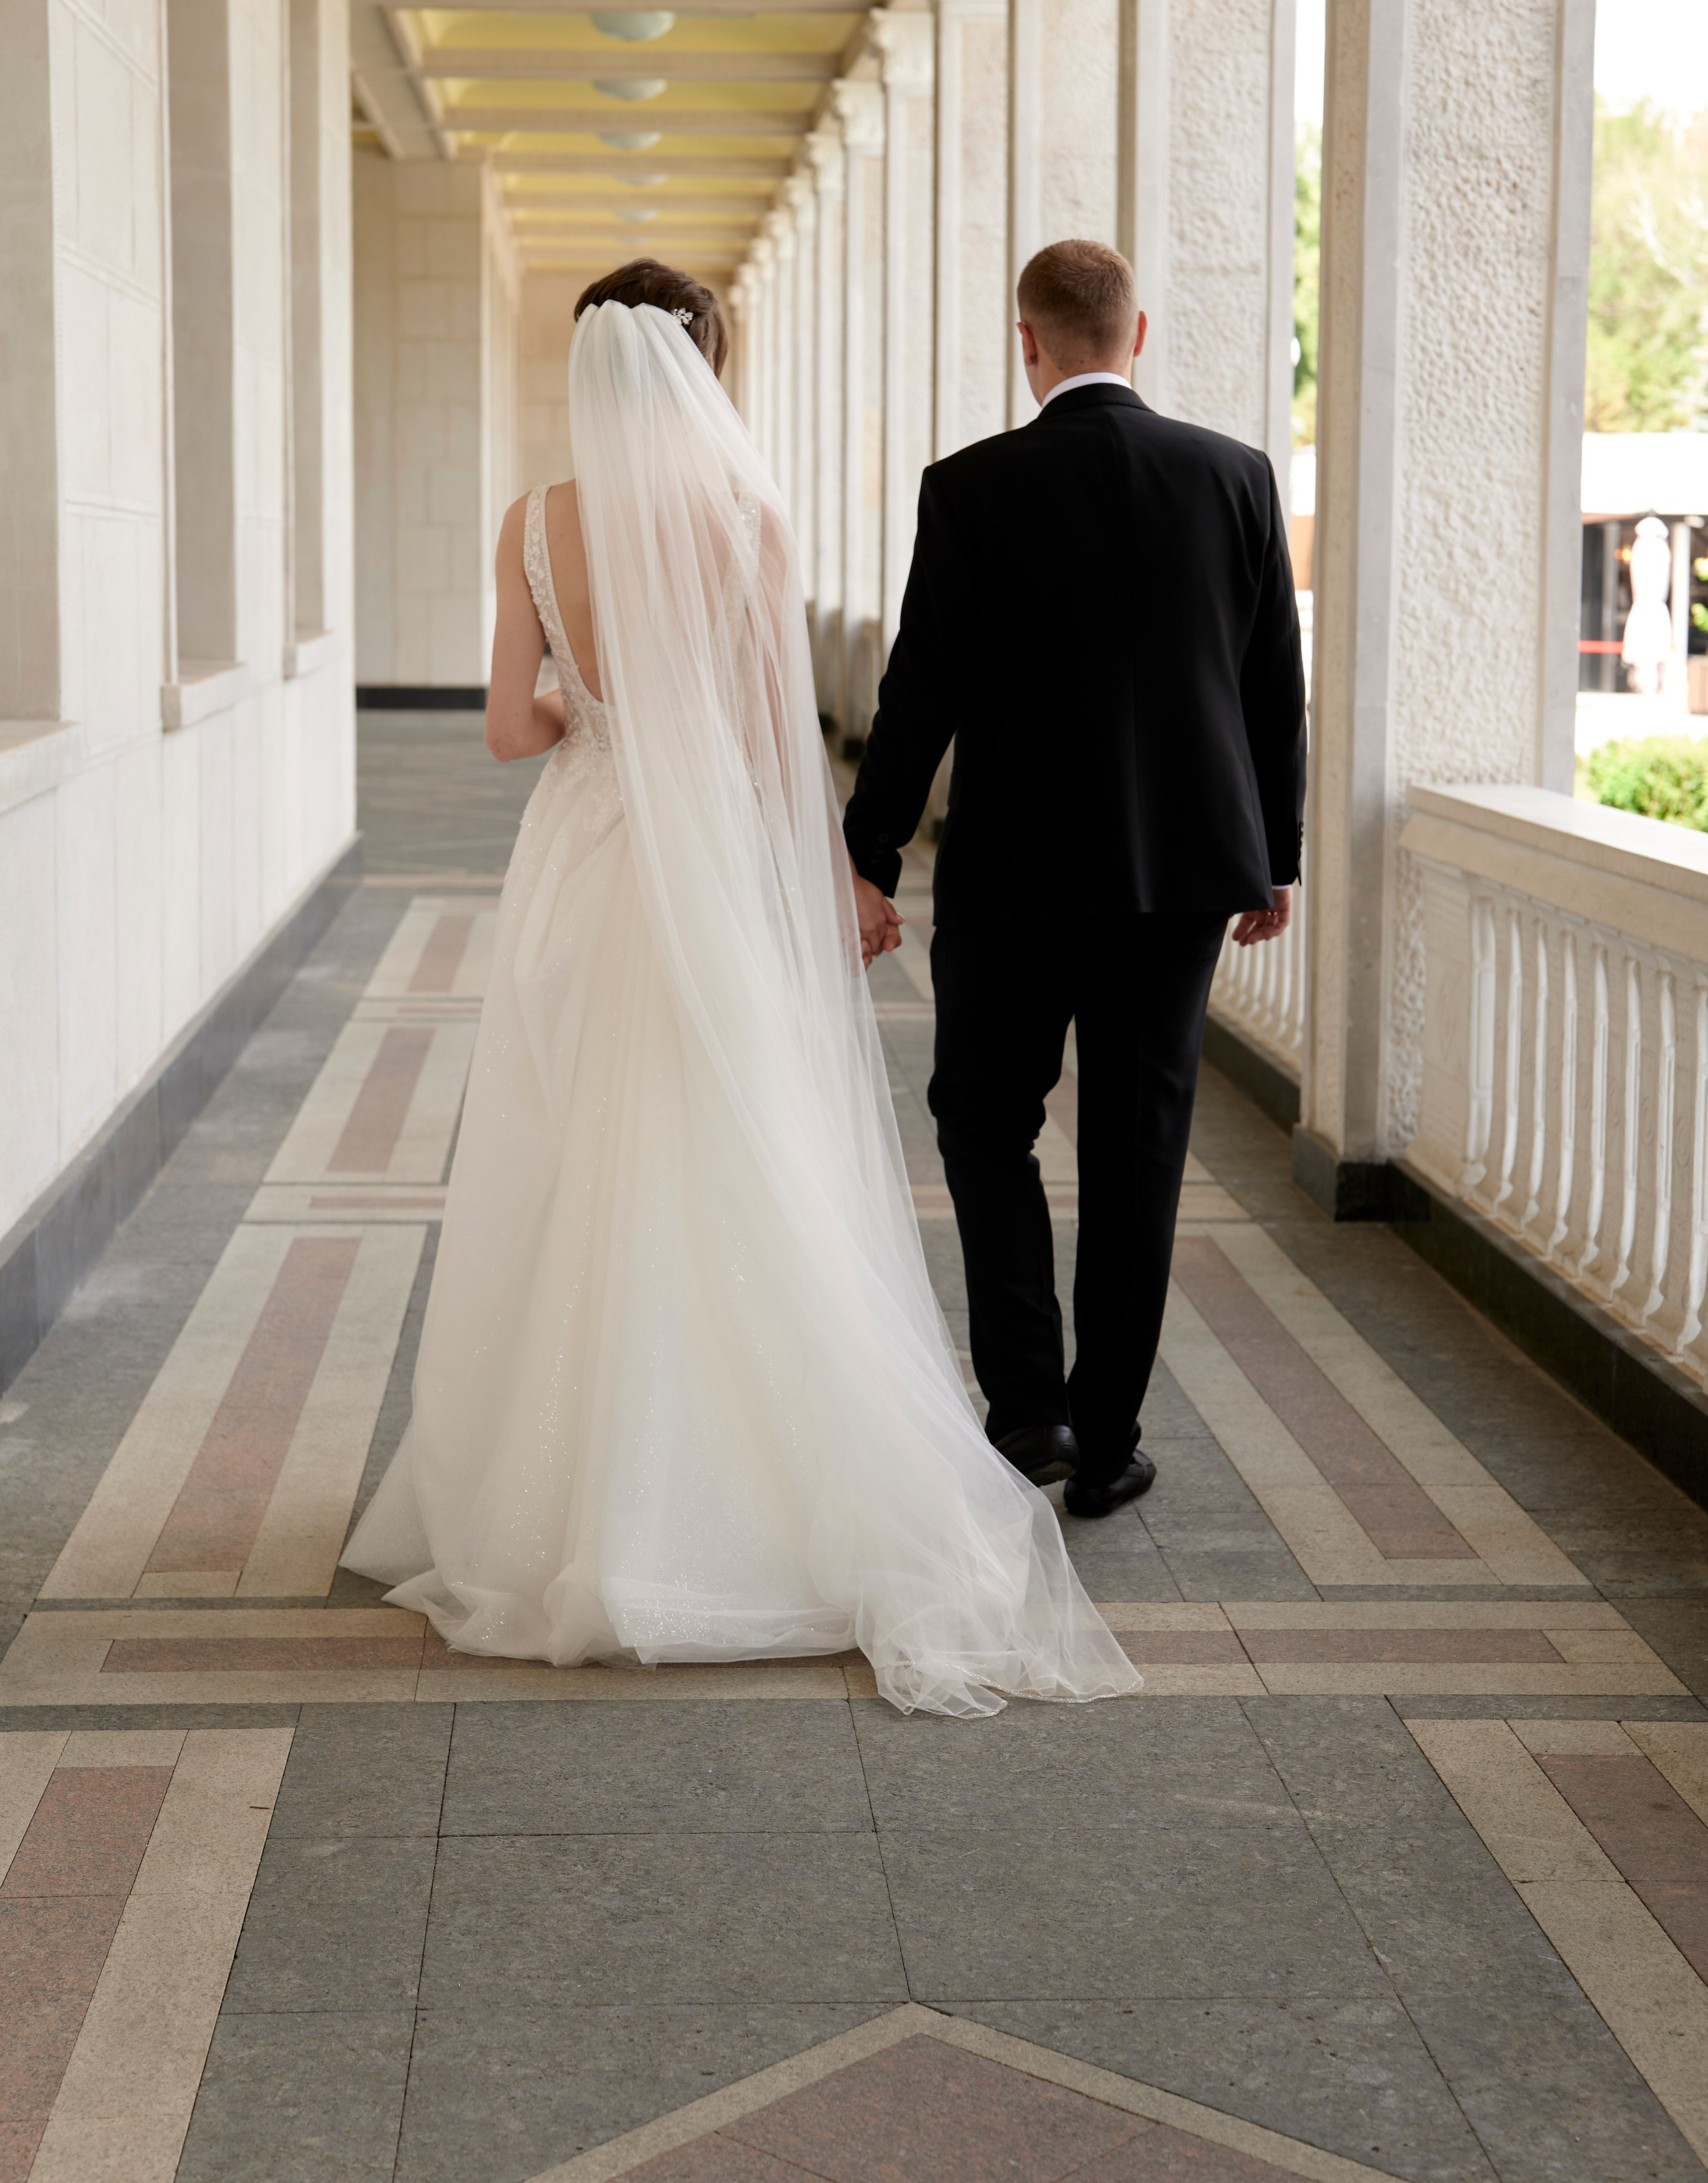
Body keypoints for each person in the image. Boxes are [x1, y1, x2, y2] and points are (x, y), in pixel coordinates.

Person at [342, 260, 1136, 1719]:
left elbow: (507, 733)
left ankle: (567, 1492)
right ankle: (732, 1492)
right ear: (707, 363)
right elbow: (782, 747)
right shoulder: (746, 519)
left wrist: (593, 706)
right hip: (704, 855)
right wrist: (824, 884)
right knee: (726, 1143)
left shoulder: (534, 523)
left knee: (575, 1141)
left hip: (583, 861)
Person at [842, 239, 1307, 1519]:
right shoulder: (1238, 478)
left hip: (1013, 878)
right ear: (1139, 331)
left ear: (1026, 340)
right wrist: (1276, 855)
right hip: (1180, 885)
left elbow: (917, 691)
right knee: (1140, 1142)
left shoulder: (972, 488)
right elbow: (1274, 688)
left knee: (985, 1123)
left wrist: (864, 858)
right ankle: (1108, 1443)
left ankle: (1029, 1412)